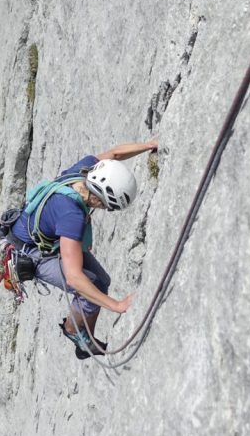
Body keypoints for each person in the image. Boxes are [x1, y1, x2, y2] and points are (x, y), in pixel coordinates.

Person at [10, 141, 158, 358]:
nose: (106, 210)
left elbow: (114, 154)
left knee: (101, 282)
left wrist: (150, 144)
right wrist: (117, 306)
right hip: (30, 252)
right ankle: (75, 333)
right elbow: (74, 278)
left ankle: (81, 333)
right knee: (90, 288)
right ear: (98, 197)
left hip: (43, 235)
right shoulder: (72, 216)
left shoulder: (84, 170)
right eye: (108, 205)